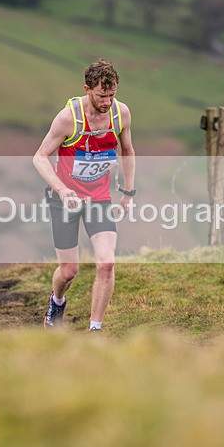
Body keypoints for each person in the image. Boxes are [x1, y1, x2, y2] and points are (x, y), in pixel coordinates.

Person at [32, 59, 135, 332]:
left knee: (107, 262)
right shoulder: (68, 118)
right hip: (65, 199)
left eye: (112, 95)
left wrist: (128, 191)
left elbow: (128, 150)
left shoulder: (120, 114)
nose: (108, 102)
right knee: (69, 272)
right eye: (102, 96)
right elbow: (40, 157)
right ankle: (57, 302)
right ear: (87, 89)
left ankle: (95, 329)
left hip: (99, 199)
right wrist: (63, 190)